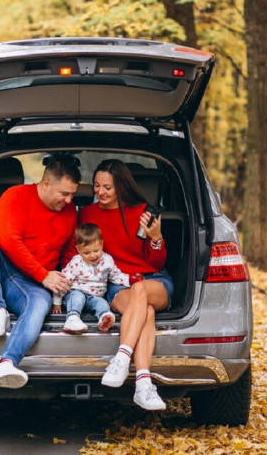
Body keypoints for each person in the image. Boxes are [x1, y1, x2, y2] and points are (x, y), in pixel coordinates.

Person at [0, 156, 81, 389]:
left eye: (73, 195)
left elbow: (70, 255)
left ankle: (7, 363)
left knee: (39, 305)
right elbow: (9, 242)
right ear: (46, 183)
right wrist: (44, 275)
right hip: (1, 266)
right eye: (64, 193)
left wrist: (70, 282)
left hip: (32, 284)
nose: (69, 200)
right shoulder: (15, 196)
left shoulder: (70, 213)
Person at [78, 159, 174, 411]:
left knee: (141, 289)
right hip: (118, 285)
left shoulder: (143, 212)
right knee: (147, 312)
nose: (100, 192)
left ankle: (121, 357)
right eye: (97, 186)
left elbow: (156, 261)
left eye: (107, 187)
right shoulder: (87, 214)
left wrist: (156, 238)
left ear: (121, 186)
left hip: (154, 280)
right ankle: (143, 384)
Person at [52, 223, 138, 335]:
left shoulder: (107, 260)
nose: (93, 256)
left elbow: (116, 276)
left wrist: (130, 280)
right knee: (77, 298)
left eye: (96, 250)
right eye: (87, 253)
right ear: (78, 249)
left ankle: (104, 319)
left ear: (102, 244)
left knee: (102, 304)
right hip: (76, 292)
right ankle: (72, 318)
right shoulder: (76, 263)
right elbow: (63, 282)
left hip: (95, 297)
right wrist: (57, 302)